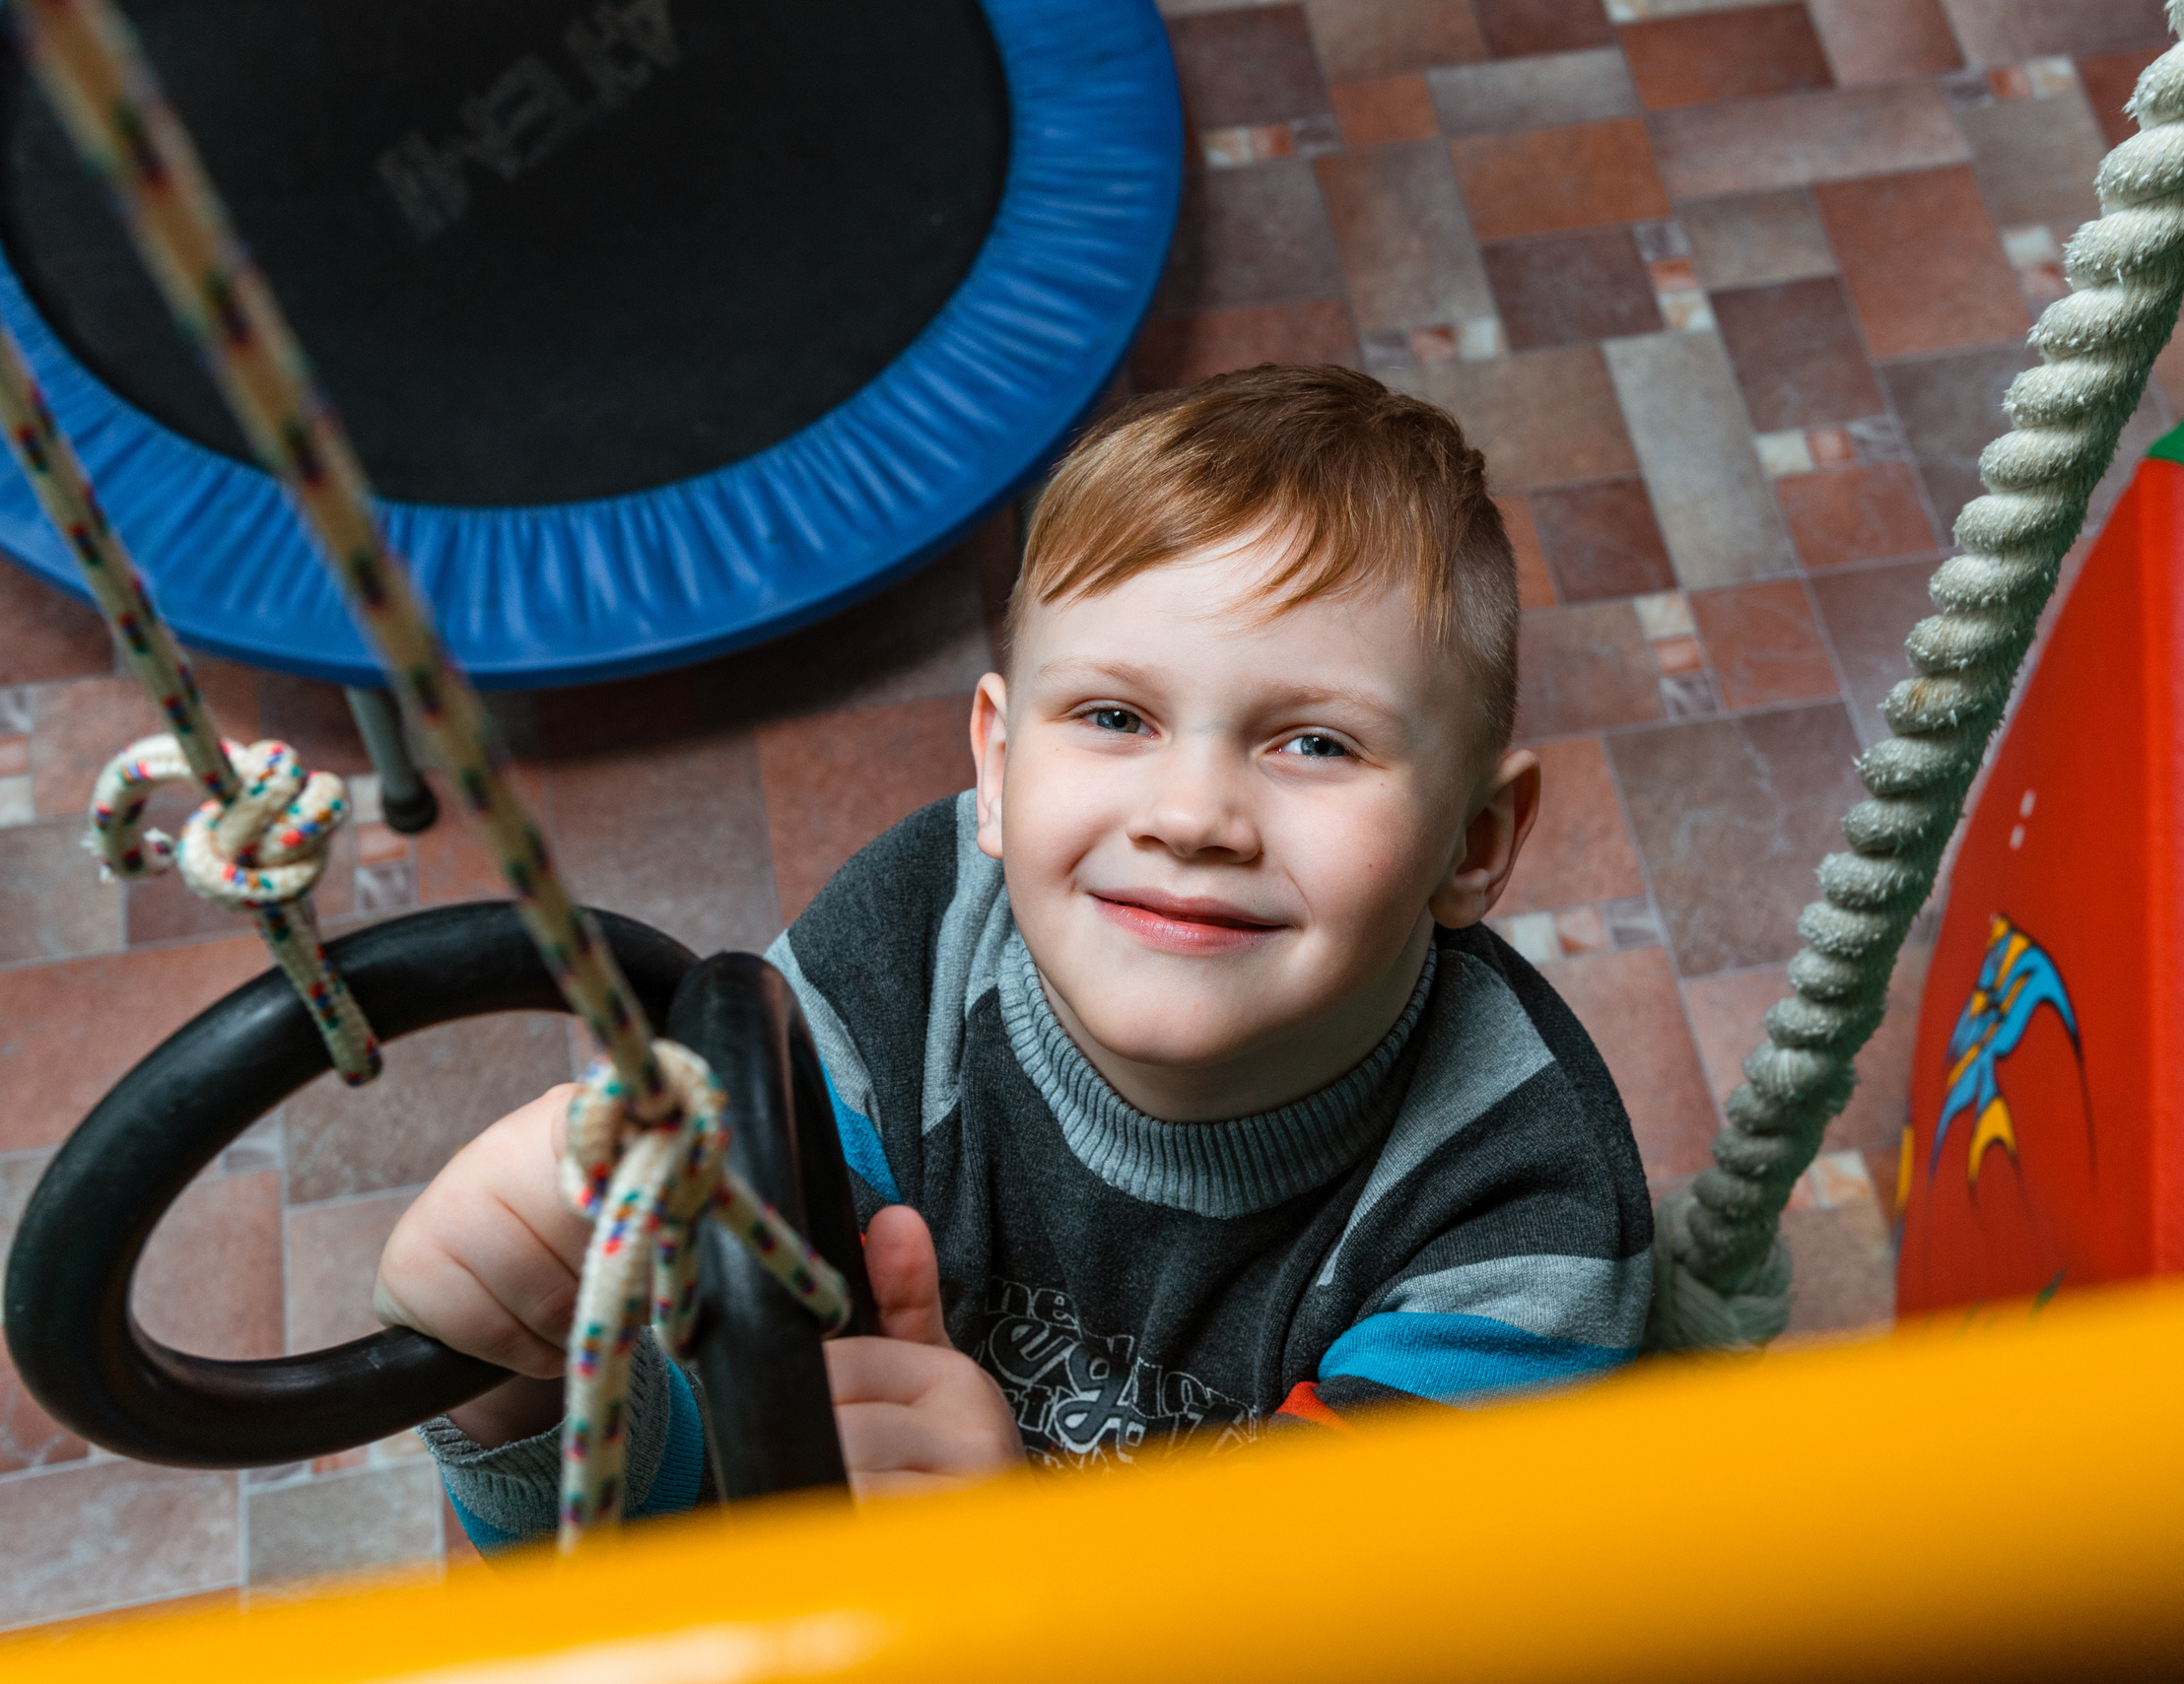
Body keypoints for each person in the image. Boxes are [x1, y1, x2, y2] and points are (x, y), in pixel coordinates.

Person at [375, 365, 1655, 1548]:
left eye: (1314, 743)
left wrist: (1010, 1560)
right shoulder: (898, 963)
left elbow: (1370, 1633)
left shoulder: (1520, 1228)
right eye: (1115, 715)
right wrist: (524, 1392)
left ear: (1475, 842)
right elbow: (703, 1557)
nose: (1189, 816)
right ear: (997, 768)